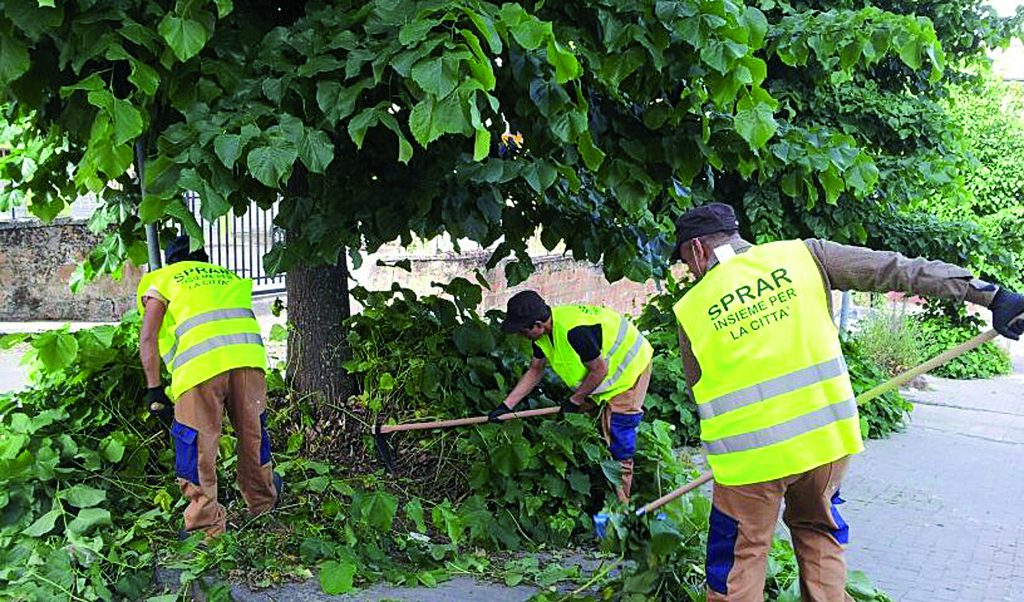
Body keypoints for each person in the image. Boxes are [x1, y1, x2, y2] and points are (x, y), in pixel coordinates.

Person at [669, 203, 1024, 601]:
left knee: (737, 562)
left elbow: (698, 389)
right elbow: (894, 268)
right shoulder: (805, 255)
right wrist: (991, 296)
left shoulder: (691, 309)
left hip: (749, 464)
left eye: (686, 262)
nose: (690, 272)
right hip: (825, 446)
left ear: (698, 250)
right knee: (820, 536)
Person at [138, 235, 282, 538]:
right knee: (253, 436)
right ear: (203, 258)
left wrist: (154, 390)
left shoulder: (163, 279)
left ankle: (206, 530)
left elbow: (148, 337)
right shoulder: (227, 277)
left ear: (170, 261)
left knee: (197, 446)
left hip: (199, 369)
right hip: (248, 361)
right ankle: (263, 508)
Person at [492, 290, 654, 502]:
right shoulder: (543, 336)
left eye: (523, 330)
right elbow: (535, 370)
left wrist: (575, 399)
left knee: (618, 430)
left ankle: (624, 505)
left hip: (630, 368)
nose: (520, 335)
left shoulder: (574, 332)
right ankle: (605, 491)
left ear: (539, 325)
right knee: (595, 425)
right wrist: (506, 406)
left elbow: (599, 370)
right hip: (604, 374)